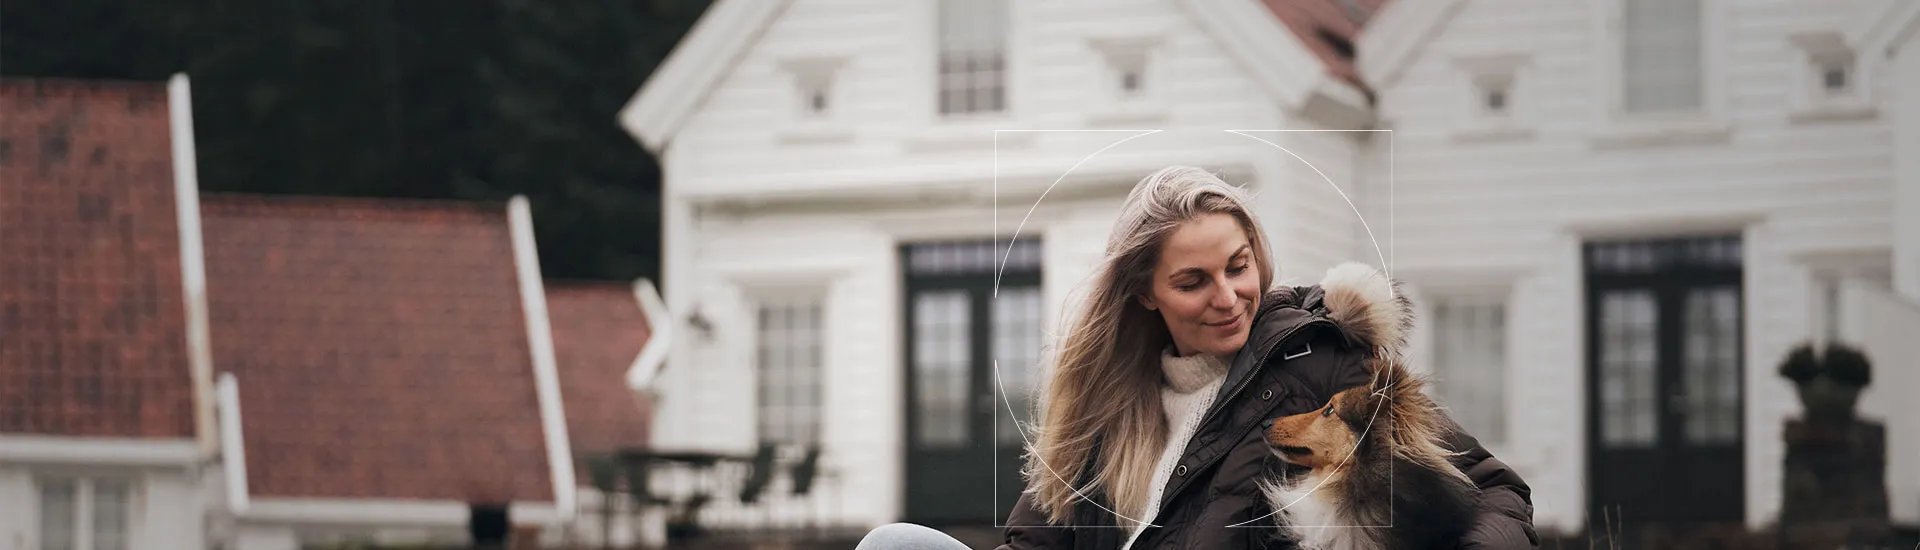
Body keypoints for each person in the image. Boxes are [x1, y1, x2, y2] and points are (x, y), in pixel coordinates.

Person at [858, 166, 1537, 549]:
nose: (1229, 297)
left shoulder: (1321, 362)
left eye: (1239, 266)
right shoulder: (1106, 409)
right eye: (1192, 282)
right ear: (1143, 294)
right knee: (894, 546)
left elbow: (1497, 491)